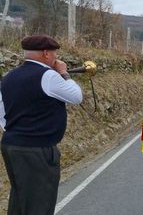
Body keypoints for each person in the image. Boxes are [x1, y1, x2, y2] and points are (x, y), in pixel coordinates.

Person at [0, 34, 83, 215]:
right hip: (37, 149)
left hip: (11, 144)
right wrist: (64, 73)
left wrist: (18, 131)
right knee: (39, 203)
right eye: (54, 54)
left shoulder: (8, 77)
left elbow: (2, 114)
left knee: (20, 199)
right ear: (46, 53)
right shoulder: (49, 75)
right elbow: (76, 96)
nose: (56, 58)